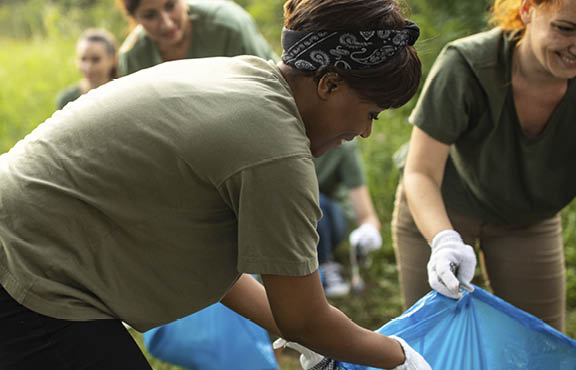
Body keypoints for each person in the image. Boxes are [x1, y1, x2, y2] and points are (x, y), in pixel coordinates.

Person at [0, 0, 427, 369]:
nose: (366, 133)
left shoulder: (246, 78)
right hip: (29, 269)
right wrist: (397, 356)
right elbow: (304, 316)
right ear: (330, 84)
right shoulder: (275, 147)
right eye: (371, 113)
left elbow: (226, 273)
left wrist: (311, 334)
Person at [392, 0, 576, 369]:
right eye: (567, 28)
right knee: (430, 350)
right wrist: (443, 239)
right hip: (440, 212)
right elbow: (420, 172)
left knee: (536, 353)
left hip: (528, 224)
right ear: (526, 9)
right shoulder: (466, 66)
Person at [115, 0, 277, 76]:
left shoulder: (227, 25)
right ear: (135, 19)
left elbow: (268, 80)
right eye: (150, 16)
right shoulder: (133, 57)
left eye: (170, 6)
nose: (167, 24)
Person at [314, 141, 382, 297]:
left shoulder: (343, 144)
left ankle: (324, 263)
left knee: (309, 197)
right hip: (285, 212)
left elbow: (366, 215)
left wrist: (369, 230)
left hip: (328, 219)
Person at [55, 28, 118, 110]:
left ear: (112, 59)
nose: (88, 67)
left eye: (96, 59)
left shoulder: (124, 93)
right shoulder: (67, 100)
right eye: (83, 59)